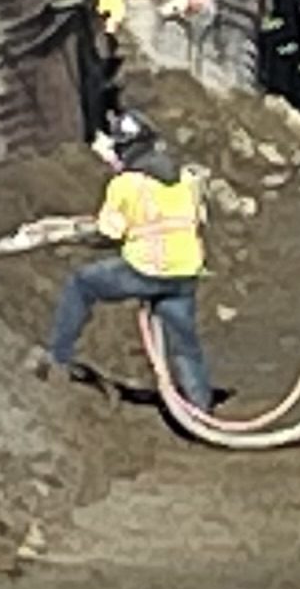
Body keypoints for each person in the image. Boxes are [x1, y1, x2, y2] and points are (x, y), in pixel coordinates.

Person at [43, 115, 212, 410]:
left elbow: (109, 233)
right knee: (184, 345)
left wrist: (77, 237)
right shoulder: (185, 179)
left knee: (82, 283)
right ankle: (201, 406)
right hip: (185, 271)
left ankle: (57, 356)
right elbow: (197, 220)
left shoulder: (125, 185)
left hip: (146, 269)